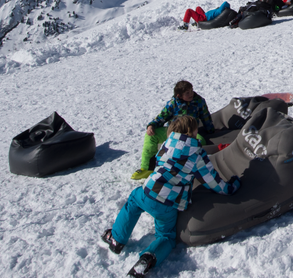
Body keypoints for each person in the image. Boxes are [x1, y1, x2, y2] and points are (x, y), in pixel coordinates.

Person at [102, 115, 240, 276]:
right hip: (167, 204)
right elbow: (211, 180)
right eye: (196, 131)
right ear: (191, 132)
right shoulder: (197, 154)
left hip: (147, 191)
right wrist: (230, 187)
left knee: (132, 203)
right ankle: (149, 257)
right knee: (166, 236)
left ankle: (117, 239)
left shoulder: (166, 144)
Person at [132, 81, 214, 180]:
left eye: (191, 90)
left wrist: (211, 131)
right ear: (179, 96)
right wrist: (151, 125)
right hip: (173, 132)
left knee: (201, 141)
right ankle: (147, 168)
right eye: (187, 93)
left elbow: (206, 117)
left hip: (190, 132)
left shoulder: (199, 101)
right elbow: (161, 117)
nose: (191, 94)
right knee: (151, 135)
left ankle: (192, 168)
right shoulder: (173, 103)